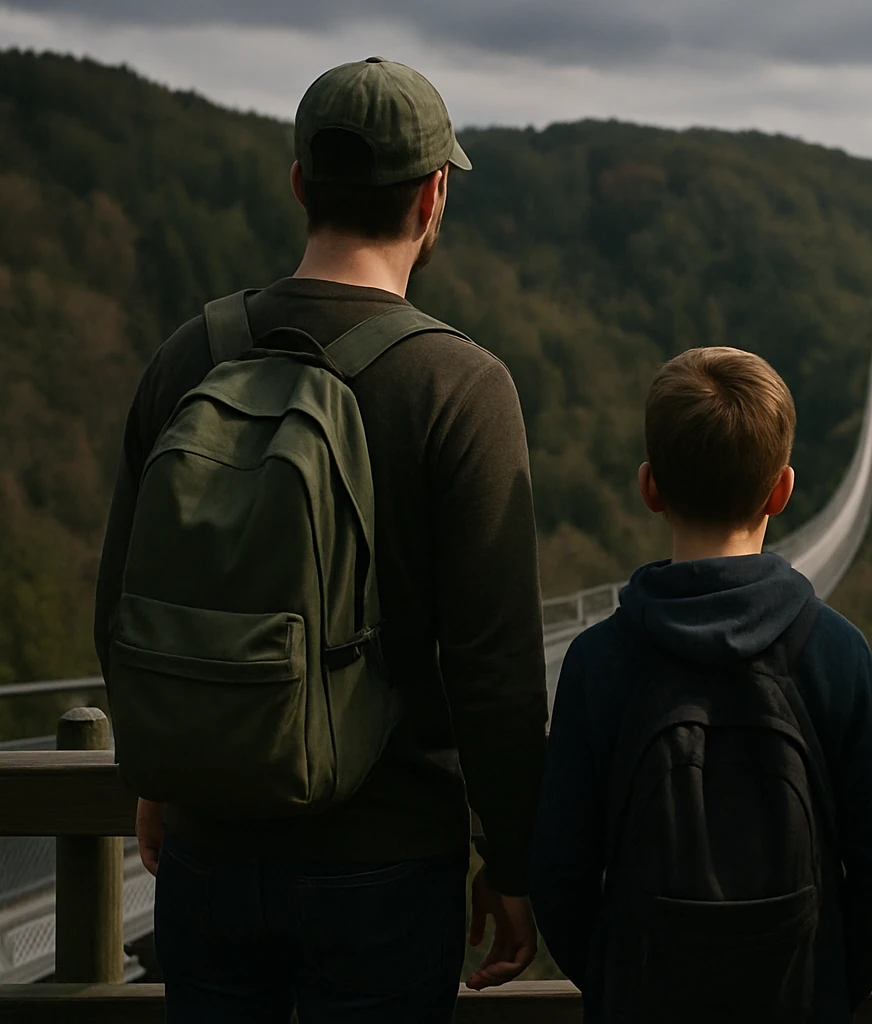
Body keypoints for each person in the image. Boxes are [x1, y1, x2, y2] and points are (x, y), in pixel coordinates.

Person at [93, 58, 548, 1022]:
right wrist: (513, 861)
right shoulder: (462, 388)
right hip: (384, 862)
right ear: (434, 196)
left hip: (209, 848)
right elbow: (496, 670)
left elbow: (121, 606)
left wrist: (160, 775)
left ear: (300, 183)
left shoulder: (189, 356)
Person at [529, 346, 872, 1022]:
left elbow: (559, 876)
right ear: (782, 490)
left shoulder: (596, 663)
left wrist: (617, 983)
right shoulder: (837, 652)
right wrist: (825, 988)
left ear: (649, 488)